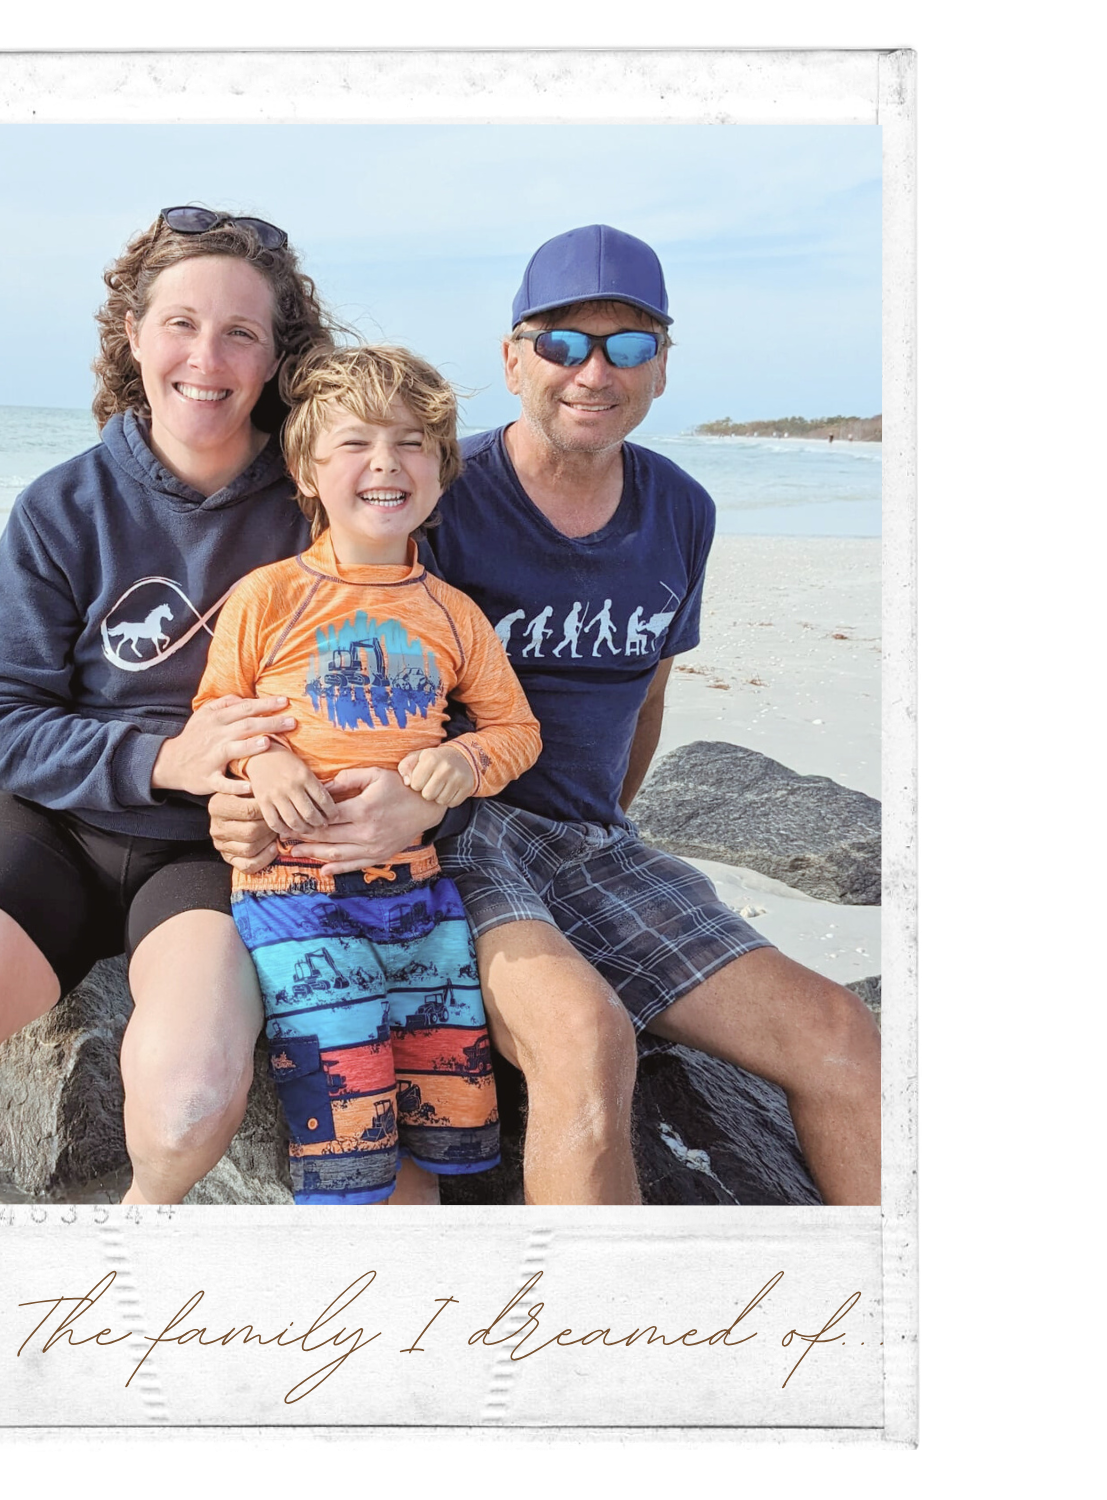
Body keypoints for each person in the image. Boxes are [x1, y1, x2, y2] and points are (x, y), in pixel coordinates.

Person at [210, 225, 881, 1206]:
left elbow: (650, 695)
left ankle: (875, 1298)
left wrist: (614, 827)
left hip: (597, 844)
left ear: (662, 366)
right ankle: (586, 1304)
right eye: (562, 342)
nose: (593, 371)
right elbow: (293, 655)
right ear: (514, 358)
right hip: (457, 838)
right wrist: (260, 798)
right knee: (585, 1038)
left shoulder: (682, 510)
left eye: (630, 344)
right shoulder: (433, 489)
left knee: (843, 1040)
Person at [0, 206, 363, 1205]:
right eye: (181, 323)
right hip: (50, 832)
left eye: (240, 332)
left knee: (189, 1108)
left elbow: (394, 681)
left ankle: (111, 1276)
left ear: (279, 356)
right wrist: (163, 757)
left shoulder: (321, 508)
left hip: (215, 854)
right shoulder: (62, 507)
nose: (207, 358)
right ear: (134, 336)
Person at [192, 345, 541, 1204]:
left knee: (444, 1117)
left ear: (442, 471)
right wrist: (263, 758)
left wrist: (460, 760)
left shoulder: (454, 614)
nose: (386, 462)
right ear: (308, 473)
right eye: (354, 443)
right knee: (346, 1127)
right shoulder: (268, 597)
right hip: (295, 899)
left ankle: (418, 1261)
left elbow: (517, 731)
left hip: (422, 899)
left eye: (412, 443)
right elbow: (213, 714)